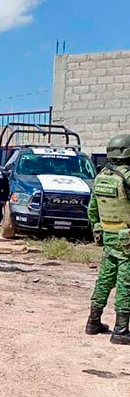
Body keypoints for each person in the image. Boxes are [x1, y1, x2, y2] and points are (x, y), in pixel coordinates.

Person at [85, 134, 130, 345]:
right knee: (125, 282)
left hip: (109, 235)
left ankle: (93, 321)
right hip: (127, 238)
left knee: (105, 278)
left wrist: (98, 228)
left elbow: (92, 210)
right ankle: (121, 330)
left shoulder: (102, 176)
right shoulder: (127, 177)